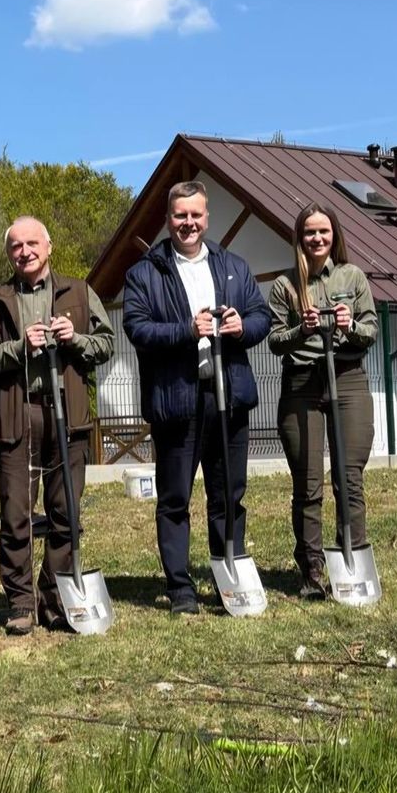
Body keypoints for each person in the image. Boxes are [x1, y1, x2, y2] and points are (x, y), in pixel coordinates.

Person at [122, 181, 269, 614]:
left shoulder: (233, 267)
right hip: (178, 401)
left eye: (196, 215)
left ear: (207, 218)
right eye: (180, 216)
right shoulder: (145, 273)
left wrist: (243, 326)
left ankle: (229, 578)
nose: (188, 223)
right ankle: (181, 587)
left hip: (229, 398)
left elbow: (263, 316)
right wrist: (187, 330)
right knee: (174, 500)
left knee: (229, 495)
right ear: (168, 219)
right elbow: (137, 329)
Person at [0, 216, 113, 633]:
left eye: (32, 243)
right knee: (16, 514)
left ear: (49, 246)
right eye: (16, 246)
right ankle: (20, 603)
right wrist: (21, 347)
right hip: (18, 414)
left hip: (67, 416)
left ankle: (54, 597)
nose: (25, 252)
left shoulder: (78, 290)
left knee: (66, 513)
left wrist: (76, 339)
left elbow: (106, 344)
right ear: (9, 253)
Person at [266, 202, 378, 598]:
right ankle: (311, 571)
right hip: (302, 385)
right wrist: (302, 328)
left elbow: (372, 329)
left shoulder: (353, 276)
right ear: (299, 237)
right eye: (310, 232)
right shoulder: (285, 285)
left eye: (323, 231)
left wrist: (349, 326)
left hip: (346, 379)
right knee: (307, 482)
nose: (317, 238)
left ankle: (353, 559)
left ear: (334, 236)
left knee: (349, 478)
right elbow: (274, 339)